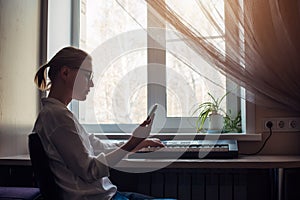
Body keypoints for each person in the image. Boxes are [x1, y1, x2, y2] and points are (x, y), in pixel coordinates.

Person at [32, 46, 165, 200]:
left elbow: (99, 147)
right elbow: (90, 171)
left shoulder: (58, 115)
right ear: (65, 73)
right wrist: (132, 143)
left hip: (108, 195)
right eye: (88, 75)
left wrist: (137, 143)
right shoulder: (57, 118)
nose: (92, 83)